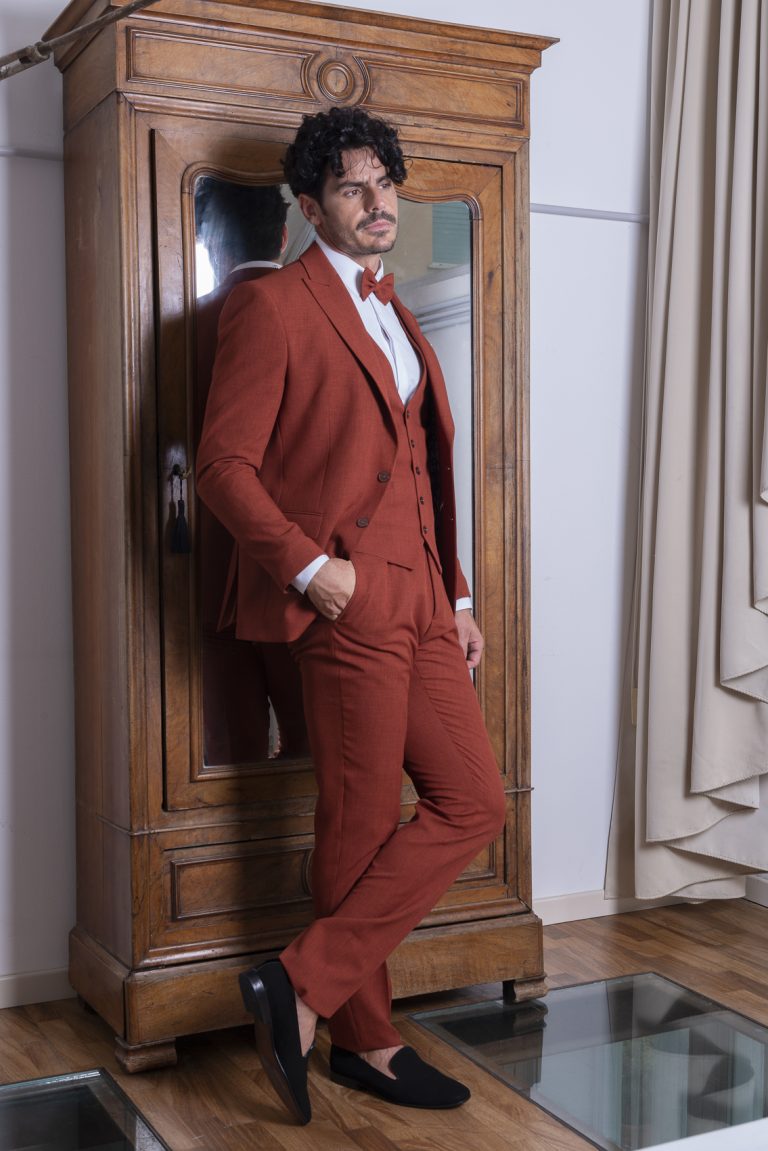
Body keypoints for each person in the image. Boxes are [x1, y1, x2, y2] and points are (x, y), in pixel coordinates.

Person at [196, 106, 506, 1125]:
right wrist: (312, 571)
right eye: (351, 188)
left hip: (423, 597)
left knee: (474, 800)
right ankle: (367, 1042)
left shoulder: (396, 307)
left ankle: (298, 981)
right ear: (310, 204)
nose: (377, 204)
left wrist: (456, 595)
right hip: (347, 596)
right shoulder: (273, 305)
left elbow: (421, 465)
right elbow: (222, 468)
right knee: (362, 818)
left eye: (385, 184)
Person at [195, 180, 308, 763]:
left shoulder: (183, 324)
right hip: (299, 572)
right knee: (311, 751)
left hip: (204, 567)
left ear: (212, 246)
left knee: (228, 757)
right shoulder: (317, 315)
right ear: (285, 236)